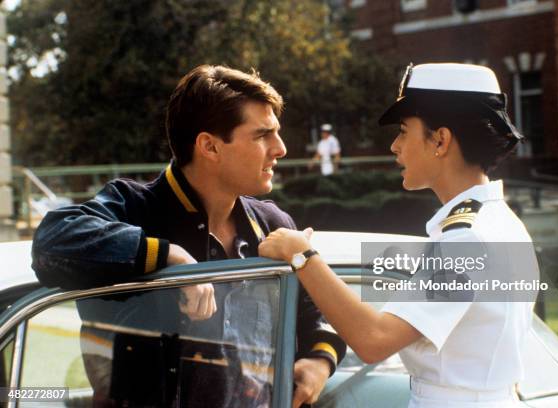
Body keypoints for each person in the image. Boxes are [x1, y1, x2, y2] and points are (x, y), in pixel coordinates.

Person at [32, 65, 345, 407]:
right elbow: (51, 241)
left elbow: (317, 315)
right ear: (209, 147)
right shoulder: (135, 208)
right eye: (262, 135)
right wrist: (171, 259)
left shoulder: (273, 224)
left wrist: (319, 362)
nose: (281, 148)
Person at [259, 63, 537, 407]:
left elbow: (374, 340)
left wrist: (302, 255)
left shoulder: (468, 239)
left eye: (404, 131)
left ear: (440, 140)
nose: (394, 146)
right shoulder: (497, 222)